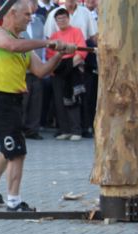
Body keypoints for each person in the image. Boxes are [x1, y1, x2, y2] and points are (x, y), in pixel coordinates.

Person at [0, 0, 75, 212]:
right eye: (27, 15)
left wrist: (60, 54)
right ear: (12, 13)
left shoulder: (24, 42)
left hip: (14, 101)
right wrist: (49, 42)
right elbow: (12, 47)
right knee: (17, 151)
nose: (31, 19)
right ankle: (14, 201)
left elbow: (41, 71)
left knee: (9, 147)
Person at [46, 7, 86, 141]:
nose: (61, 21)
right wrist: (56, 69)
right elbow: (50, 56)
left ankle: (76, 130)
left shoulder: (76, 31)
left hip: (73, 68)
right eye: (59, 19)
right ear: (55, 21)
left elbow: (81, 52)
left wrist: (69, 66)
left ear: (68, 19)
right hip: (57, 70)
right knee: (59, 101)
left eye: (64, 18)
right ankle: (64, 130)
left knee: (73, 100)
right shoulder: (54, 37)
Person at [20, 5, 45, 139]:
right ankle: (19, 129)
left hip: (37, 68)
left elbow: (44, 42)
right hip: (23, 69)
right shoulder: (18, 25)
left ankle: (32, 130)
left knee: (36, 100)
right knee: (23, 101)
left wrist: (45, 62)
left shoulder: (39, 22)